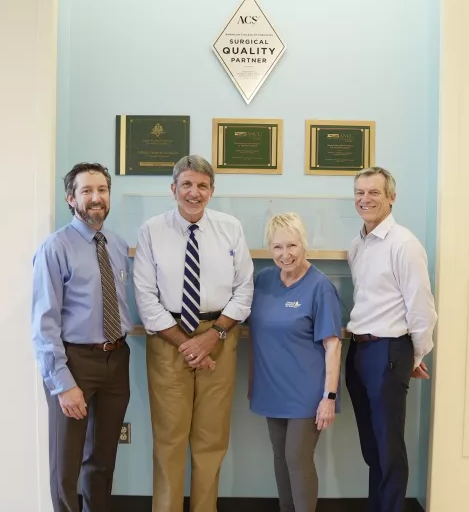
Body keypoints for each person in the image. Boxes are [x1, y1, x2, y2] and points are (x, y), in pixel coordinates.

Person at [133, 155, 254, 512]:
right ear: (173, 189)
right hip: (168, 339)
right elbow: (145, 294)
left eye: (202, 185)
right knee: (169, 438)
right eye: (186, 184)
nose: (194, 192)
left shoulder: (230, 228)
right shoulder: (152, 230)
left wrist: (213, 335)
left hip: (220, 337)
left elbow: (244, 289)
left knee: (211, 439)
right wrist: (187, 344)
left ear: (212, 191)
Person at [31, 162, 132, 512]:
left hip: (117, 359)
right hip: (74, 362)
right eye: (86, 191)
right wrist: (62, 382)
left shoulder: (117, 245)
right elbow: (44, 323)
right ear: (70, 198)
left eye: (102, 190)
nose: (96, 198)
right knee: (67, 464)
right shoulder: (55, 248)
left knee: (103, 460)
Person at [345, 166, 438, 512]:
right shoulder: (358, 244)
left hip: (388, 351)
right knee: (372, 447)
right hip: (359, 351)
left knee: (388, 447)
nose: (365, 199)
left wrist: (412, 357)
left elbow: (422, 307)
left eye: (374, 193)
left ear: (391, 198)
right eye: (359, 192)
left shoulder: (404, 244)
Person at [247, 212, 343, 512]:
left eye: (292, 246)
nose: (285, 254)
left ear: (304, 245)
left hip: (307, 393)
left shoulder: (320, 286)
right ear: (269, 249)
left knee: (297, 459)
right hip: (270, 388)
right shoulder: (262, 281)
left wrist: (329, 397)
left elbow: (333, 345)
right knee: (280, 458)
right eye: (277, 247)